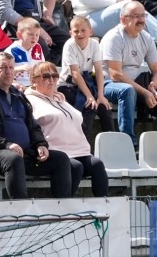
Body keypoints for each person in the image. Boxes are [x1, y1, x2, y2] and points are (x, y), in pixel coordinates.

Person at [0, 53, 78, 199]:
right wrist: (6, 144)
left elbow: (33, 125)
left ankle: (61, 208)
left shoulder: (17, 94)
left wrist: (40, 144)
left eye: (11, 67)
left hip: (25, 154)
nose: (8, 71)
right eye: (3, 67)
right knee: (13, 159)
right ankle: (21, 208)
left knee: (60, 159)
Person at [100, 1, 157, 146]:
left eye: (143, 16)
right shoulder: (114, 37)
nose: (141, 20)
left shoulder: (146, 38)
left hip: (136, 83)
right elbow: (115, 74)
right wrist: (144, 92)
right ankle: (129, 143)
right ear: (123, 19)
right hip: (107, 84)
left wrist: (153, 86)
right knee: (127, 90)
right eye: (136, 16)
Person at [24, 61, 109, 197]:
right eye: (46, 76)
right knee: (75, 167)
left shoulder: (61, 100)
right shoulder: (29, 100)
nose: (51, 80)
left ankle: (104, 206)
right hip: (55, 152)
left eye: (54, 76)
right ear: (33, 81)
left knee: (97, 165)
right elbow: (31, 127)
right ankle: (63, 206)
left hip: (79, 151)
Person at [59, 15, 113, 139]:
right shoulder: (69, 45)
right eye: (76, 31)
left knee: (105, 107)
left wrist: (100, 95)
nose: (80, 34)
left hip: (87, 83)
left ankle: (111, 141)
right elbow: (75, 73)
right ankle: (82, 144)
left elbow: (98, 70)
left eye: (83, 30)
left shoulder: (94, 44)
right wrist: (89, 96)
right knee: (90, 106)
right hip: (68, 86)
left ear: (90, 32)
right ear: (70, 33)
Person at [9, 17, 45, 88]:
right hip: (19, 85)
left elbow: (43, 65)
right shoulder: (11, 50)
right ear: (19, 35)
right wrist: (19, 68)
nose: (34, 37)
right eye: (30, 34)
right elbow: (5, 72)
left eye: (37, 35)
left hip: (36, 84)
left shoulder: (38, 47)